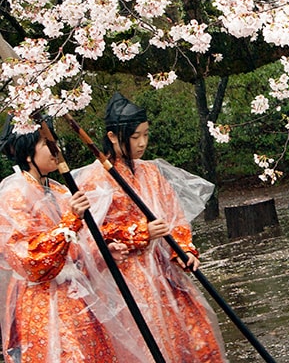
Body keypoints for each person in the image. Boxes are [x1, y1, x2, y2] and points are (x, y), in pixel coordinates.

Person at [75, 93, 227, 363]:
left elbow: (174, 217)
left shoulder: (151, 172)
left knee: (194, 339)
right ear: (112, 137)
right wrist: (139, 232)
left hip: (163, 269)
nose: (142, 143)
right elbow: (91, 236)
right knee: (147, 343)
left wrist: (185, 249)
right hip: (128, 277)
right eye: (135, 137)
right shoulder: (95, 179)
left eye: (145, 134)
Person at [0, 118, 136, 362]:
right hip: (43, 300)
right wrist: (70, 220)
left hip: (77, 297)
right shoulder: (13, 194)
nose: (56, 148)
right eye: (46, 143)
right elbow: (29, 260)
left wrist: (102, 254)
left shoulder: (60, 191)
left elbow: (77, 250)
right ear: (27, 152)